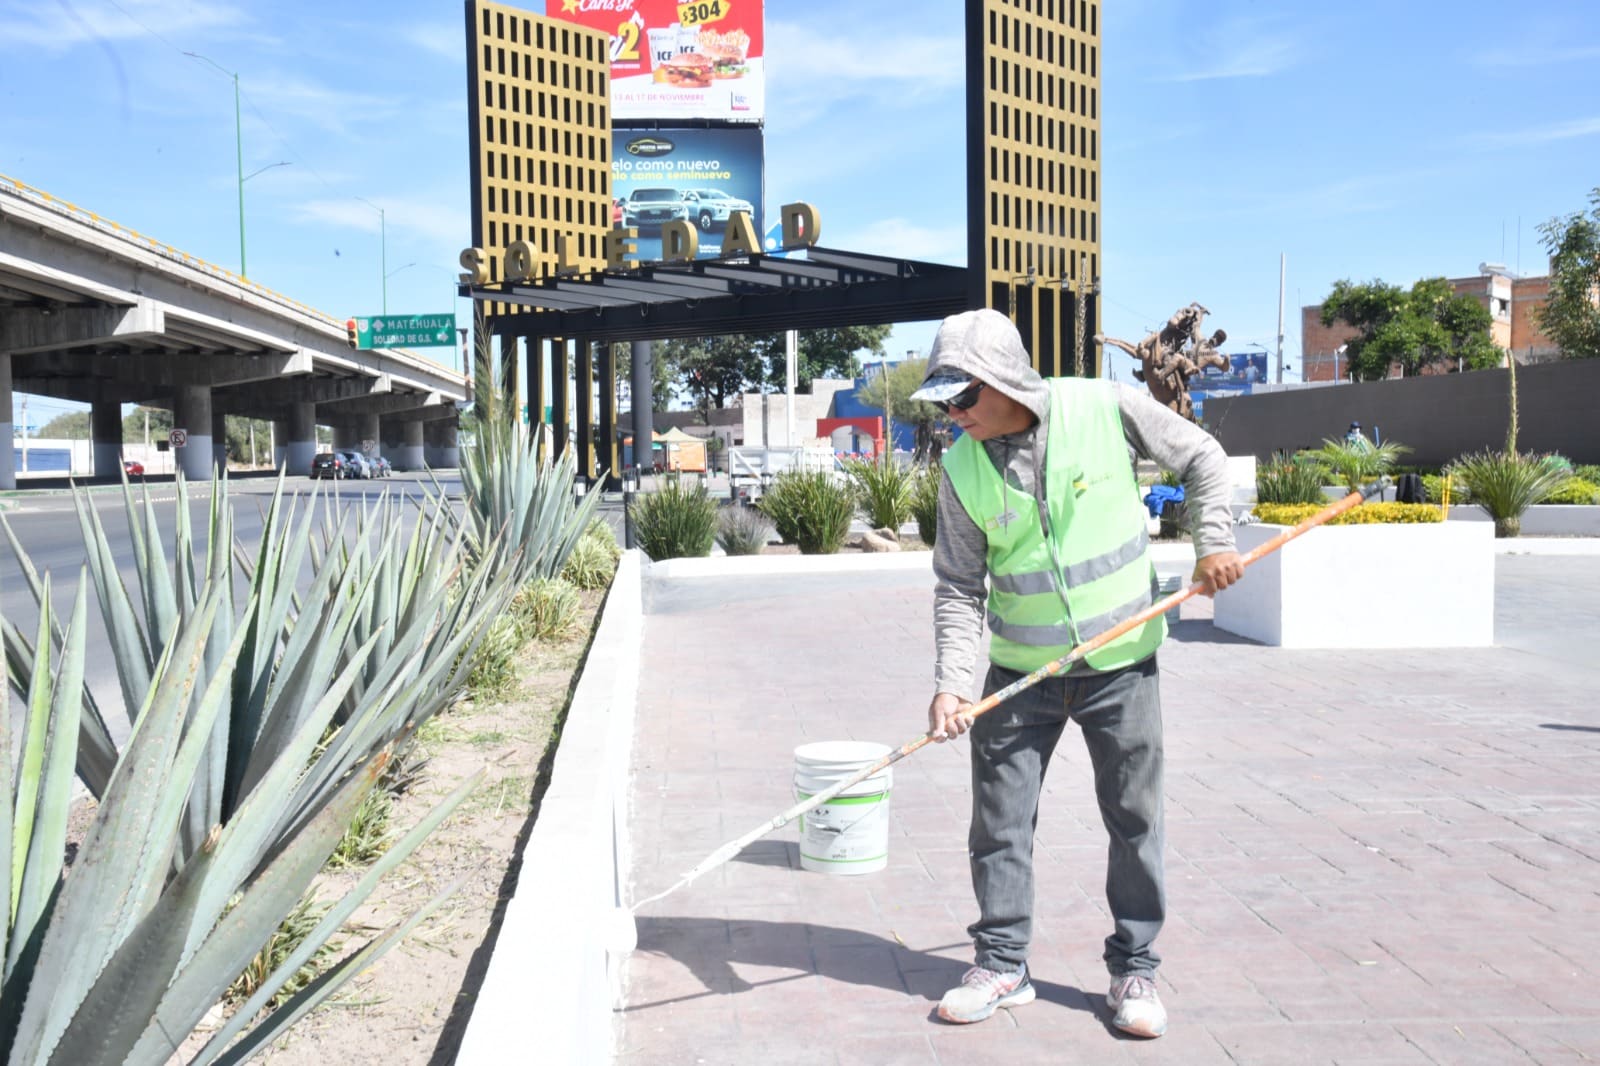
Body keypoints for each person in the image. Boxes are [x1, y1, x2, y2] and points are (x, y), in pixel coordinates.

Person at [910, 309, 1243, 1039]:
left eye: (961, 397)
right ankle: (1001, 964)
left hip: (1120, 663)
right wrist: (952, 685)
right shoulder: (961, 465)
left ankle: (1135, 968)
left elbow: (1205, 458)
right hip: (1018, 674)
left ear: (1002, 383)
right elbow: (960, 587)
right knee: (997, 822)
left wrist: (1210, 542)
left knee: (1134, 818)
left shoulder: (1103, 406)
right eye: (942, 401)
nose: (952, 414)